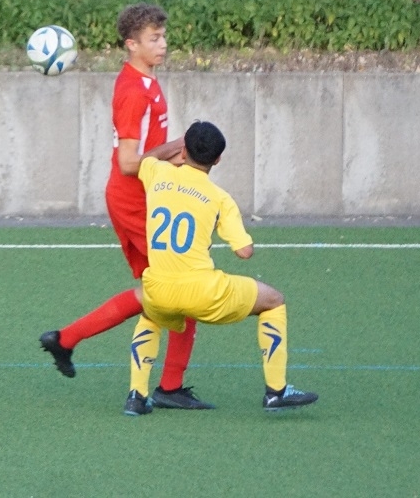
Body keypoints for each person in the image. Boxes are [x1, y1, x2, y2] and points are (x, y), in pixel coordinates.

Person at [39, 3, 213, 412]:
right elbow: (129, 163)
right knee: (183, 287)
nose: (163, 44)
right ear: (131, 44)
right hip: (134, 202)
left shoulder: (147, 80)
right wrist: (176, 148)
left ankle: (65, 339)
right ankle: (168, 387)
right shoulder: (135, 92)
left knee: (160, 291)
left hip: (144, 198)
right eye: (154, 39)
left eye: (163, 36)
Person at [123, 120, 319, 415]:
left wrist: (172, 149)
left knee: (151, 316)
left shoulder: (157, 173)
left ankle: (136, 397)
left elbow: (147, 159)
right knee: (274, 301)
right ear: (217, 160)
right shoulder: (219, 198)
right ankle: (276, 391)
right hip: (204, 293)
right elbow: (244, 252)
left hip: (158, 288)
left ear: (183, 151)